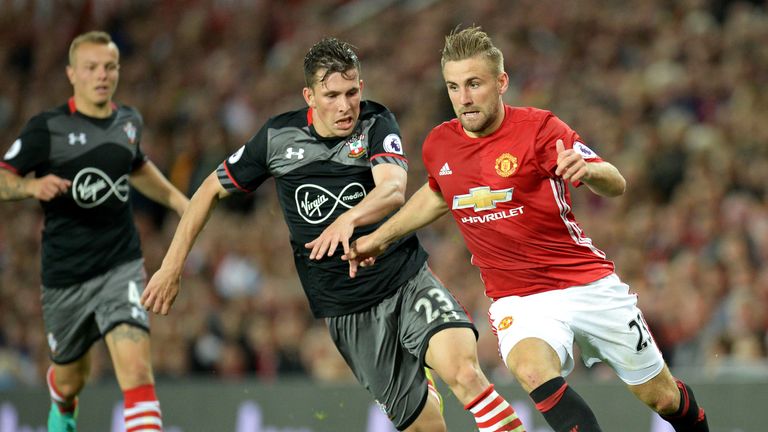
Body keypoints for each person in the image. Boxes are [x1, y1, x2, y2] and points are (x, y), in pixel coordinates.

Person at [141, 37, 524, 432]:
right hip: (347, 310)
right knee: (427, 426)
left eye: (353, 92)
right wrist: (171, 267)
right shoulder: (277, 138)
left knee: (464, 373)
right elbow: (209, 191)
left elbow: (393, 189)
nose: (345, 106)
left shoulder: (376, 122)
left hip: (405, 281)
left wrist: (349, 220)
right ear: (309, 96)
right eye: (332, 95)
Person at [343, 26, 710, 432]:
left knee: (661, 397)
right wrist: (378, 238)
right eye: (453, 87)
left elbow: (616, 181)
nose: (463, 99)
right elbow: (439, 194)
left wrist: (587, 170)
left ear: (501, 82)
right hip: (518, 299)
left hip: (585, 282)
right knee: (532, 370)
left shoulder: (539, 129)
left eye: (474, 84)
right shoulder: (439, 144)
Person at [0, 31, 189, 432]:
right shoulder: (47, 129)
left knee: (137, 371)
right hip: (65, 275)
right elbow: (2, 179)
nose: (101, 75)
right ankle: (60, 396)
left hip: (120, 263)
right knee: (71, 381)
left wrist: (178, 200)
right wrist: (31, 186)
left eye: (109, 67)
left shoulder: (128, 122)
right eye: (91, 67)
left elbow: (136, 166)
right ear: (72, 73)